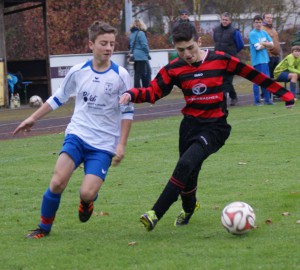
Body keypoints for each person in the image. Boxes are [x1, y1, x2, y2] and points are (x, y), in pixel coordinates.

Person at [119, 23, 294, 232]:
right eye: (181, 50)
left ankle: (155, 212)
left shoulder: (220, 59)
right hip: (189, 127)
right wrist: (131, 94)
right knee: (189, 175)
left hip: (215, 128)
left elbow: (252, 74)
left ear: (200, 42)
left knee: (185, 164)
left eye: (191, 48)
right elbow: (153, 92)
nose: (187, 54)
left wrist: (284, 94)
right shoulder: (174, 69)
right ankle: (190, 207)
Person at [13, 21, 134, 239]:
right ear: (91, 44)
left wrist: (121, 144)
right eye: (103, 43)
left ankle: (87, 202)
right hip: (77, 135)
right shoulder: (78, 72)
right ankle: (43, 228)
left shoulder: (121, 75)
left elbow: (127, 112)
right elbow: (58, 98)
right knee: (58, 181)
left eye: (112, 44)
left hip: (104, 144)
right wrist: (32, 118)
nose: (108, 48)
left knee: (87, 192)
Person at [213, 12, 244, 106]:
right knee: (221, 79)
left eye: (226, 20)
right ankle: (231, 96)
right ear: (221, 20)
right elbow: (215, 41)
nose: (224, 21)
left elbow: (240, 45)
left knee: (227, 80)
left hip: (230, 59)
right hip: (218, 59)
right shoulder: (216, 30)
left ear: (230, 21)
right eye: (223, 19)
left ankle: (228, 98)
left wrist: (232, 53)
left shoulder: (235, 31)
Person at [249, 15, 275, 105]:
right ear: (253, 23)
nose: (258, 24)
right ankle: (257, 101)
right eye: (256, 22)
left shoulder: (264, 32)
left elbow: (272, 45)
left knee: (266, 80)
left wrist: (263, 43)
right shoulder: (253, 34)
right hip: (257, 61)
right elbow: (258, 47)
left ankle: (267, 100)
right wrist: (266, 44)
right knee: (257, 81)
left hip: (265, 60)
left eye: (260, 22)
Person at [129, 19, 151, 88]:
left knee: (137, 73)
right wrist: (147, 53)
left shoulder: (131, 34)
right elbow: (144, 45)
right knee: (145, 73)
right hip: (141, 56)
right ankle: (141, 89)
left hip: (134, 56)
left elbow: (130, 46)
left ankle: (137, 88)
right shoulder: (141, 33)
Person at [261, 13, 281, 79]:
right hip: (269, 57)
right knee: (268, 78)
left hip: (276, 56)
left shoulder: (273, 29)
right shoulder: (262, 29)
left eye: (271, 18)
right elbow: (263, 42)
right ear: (263, 19)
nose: (269, 19)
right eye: (267, 18)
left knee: (275, 78)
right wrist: (269, 54)